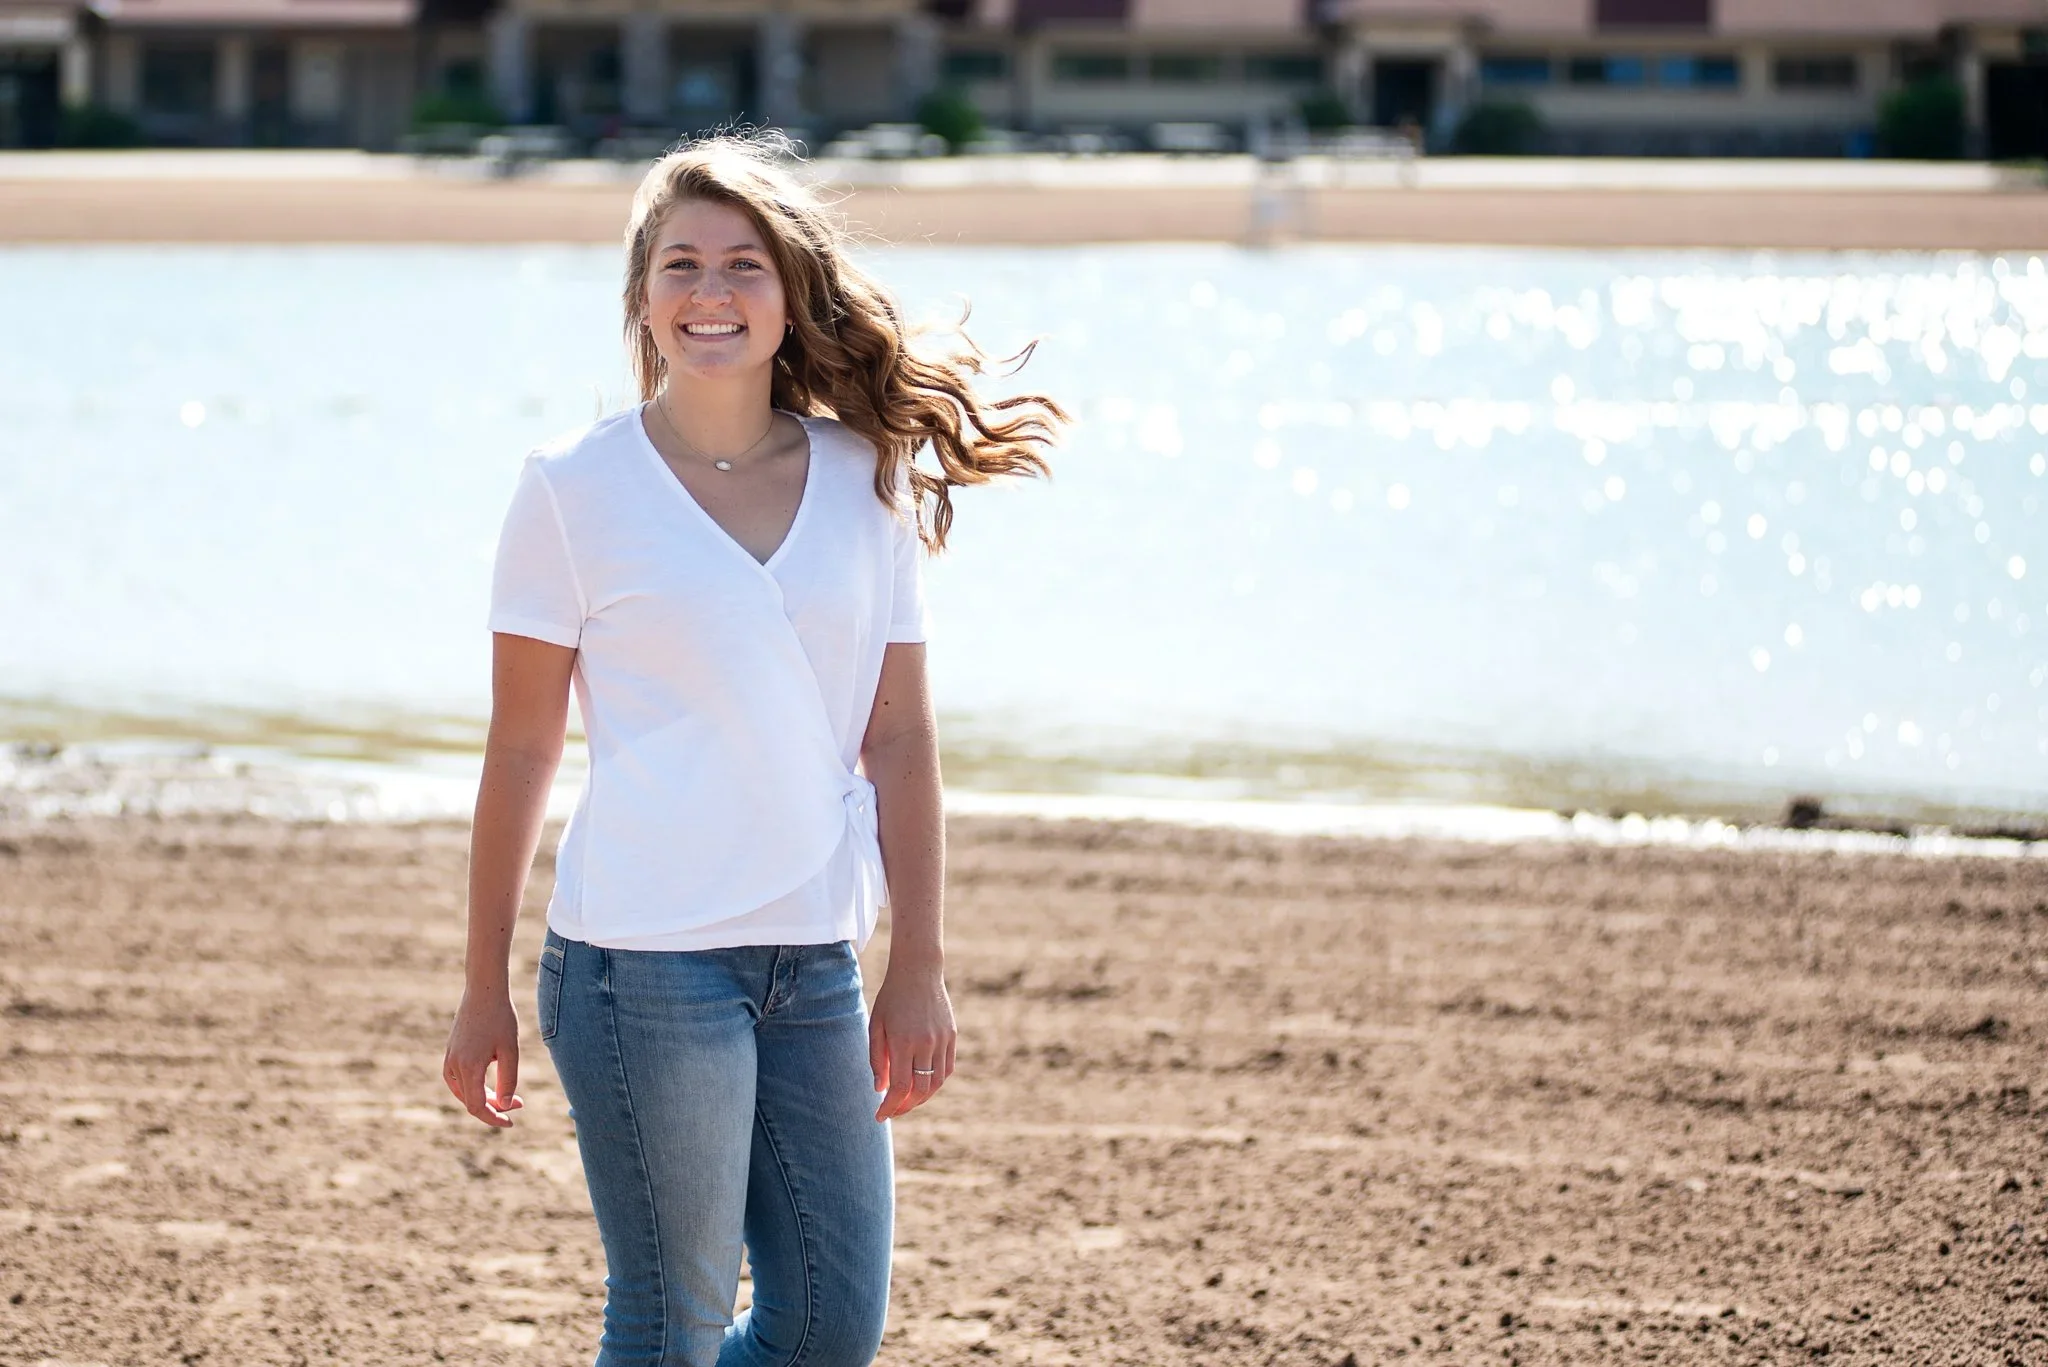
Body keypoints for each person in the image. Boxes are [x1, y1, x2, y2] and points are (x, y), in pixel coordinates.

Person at [440, 133, 1064, 1367]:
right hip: (640, 962)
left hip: (814, 959)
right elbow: (520, 750)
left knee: (828, 1326)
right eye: (680, 265)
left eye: (743, 265)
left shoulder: (863, 476)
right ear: (642, 300)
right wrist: (480, 983)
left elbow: (900, 735)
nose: (710, 292)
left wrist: (919, 959)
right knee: (667, 1322)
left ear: (790, 298)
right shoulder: (570, 488)